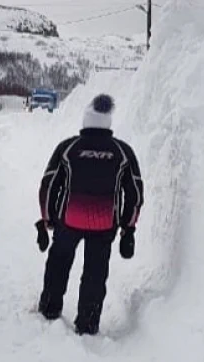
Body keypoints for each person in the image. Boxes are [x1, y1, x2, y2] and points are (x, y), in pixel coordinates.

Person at [34, 93, 145, 335]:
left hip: (68, 221)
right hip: (104, 224)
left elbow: (48, 185)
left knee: (58, 264)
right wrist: (129, 228)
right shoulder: (122, 152)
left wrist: (47, 219)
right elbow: (135, 191)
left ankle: (49, 309)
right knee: (96, 273)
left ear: (86, 121)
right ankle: (88, 323)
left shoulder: (68, 148)